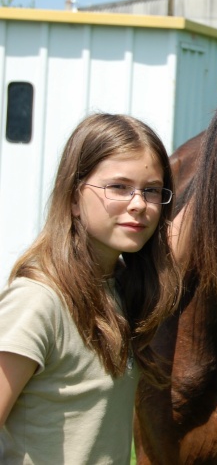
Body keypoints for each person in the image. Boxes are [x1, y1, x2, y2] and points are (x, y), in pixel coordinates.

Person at [0, 113, 180, 463]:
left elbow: (191, 233)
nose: (139, 204)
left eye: (151, 190)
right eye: (118, 187)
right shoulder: (38, 300)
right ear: (72, 198)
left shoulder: (120, 289)